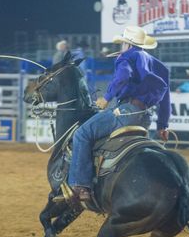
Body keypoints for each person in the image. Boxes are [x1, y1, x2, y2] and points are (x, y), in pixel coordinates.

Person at [68, 26, 170, 205]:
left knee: (82, 134)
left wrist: (106, 98)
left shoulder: (126, 57)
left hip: (126, 112)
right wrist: (163, 125)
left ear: (127, 44)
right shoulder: (158, 65)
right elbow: (166, 95)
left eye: (123, 42)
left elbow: (123, 76)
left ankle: (81, 185)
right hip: (145, 117)